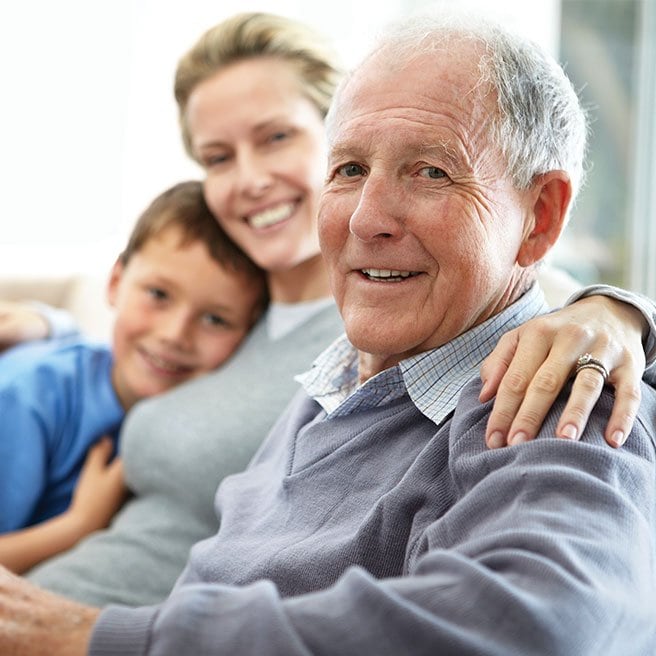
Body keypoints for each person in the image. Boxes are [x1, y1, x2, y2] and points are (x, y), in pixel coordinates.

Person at [1, 10, 654, 654]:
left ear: (539, 217)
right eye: (350, 170)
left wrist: (91, 638)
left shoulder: (550, 393)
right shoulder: (336, 364)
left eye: (430, 170)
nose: (368, 218)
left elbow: (537, 626)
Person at [0, 180, 266, 573]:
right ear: (115, 283)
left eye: (215, 319)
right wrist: (77, 526)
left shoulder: (207, 427)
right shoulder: (26, 397)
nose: (174, 334)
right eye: (158, 294)